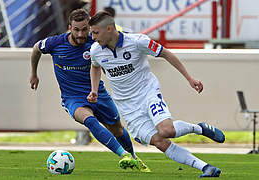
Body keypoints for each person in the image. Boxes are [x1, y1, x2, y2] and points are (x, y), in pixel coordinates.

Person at [87, 11, 225, 178]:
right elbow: (95, 66)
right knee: (160, 141)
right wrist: (94, 90)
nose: (92, 37)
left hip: (147, 93)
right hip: (127, 106)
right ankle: (206, 168)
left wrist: (189, 78)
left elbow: (166, 53)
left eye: (95, 32)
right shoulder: (96, 51)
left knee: (166, 130)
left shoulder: (138, 42)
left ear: (109, 28)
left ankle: (199, 128)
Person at [30, 9, 150, 172]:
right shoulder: (55, 43)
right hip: (73, 98)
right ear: (69, 27)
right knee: (89, 120)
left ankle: (134, 158)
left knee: (118, 129)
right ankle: (124, 155)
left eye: (84, 29)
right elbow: (37, 48)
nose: (80, 34)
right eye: (76, 29)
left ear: (90, 28)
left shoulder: (96, 44)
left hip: (98, 93)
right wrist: (34, 73)